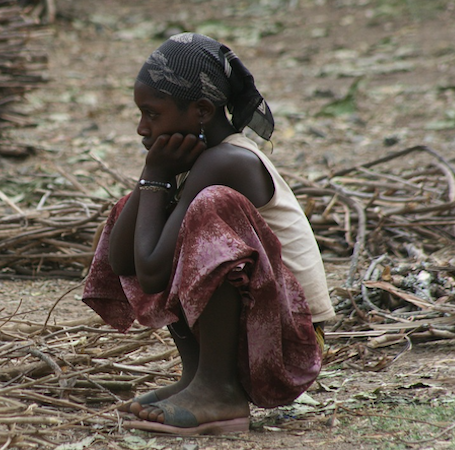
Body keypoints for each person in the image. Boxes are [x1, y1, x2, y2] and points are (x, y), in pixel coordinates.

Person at [82, 33, 335, 435]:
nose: (141, 128)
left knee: (207, 207)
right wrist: (152, 181)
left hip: (289, 342)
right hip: (256, 334)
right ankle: (198, 377)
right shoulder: (197, 161)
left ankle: (219, 391)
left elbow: (148, 272)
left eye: (152, 113)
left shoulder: (228, 162)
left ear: (201, 110)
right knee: (137, 208)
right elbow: (123, 260)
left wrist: (155, 174)